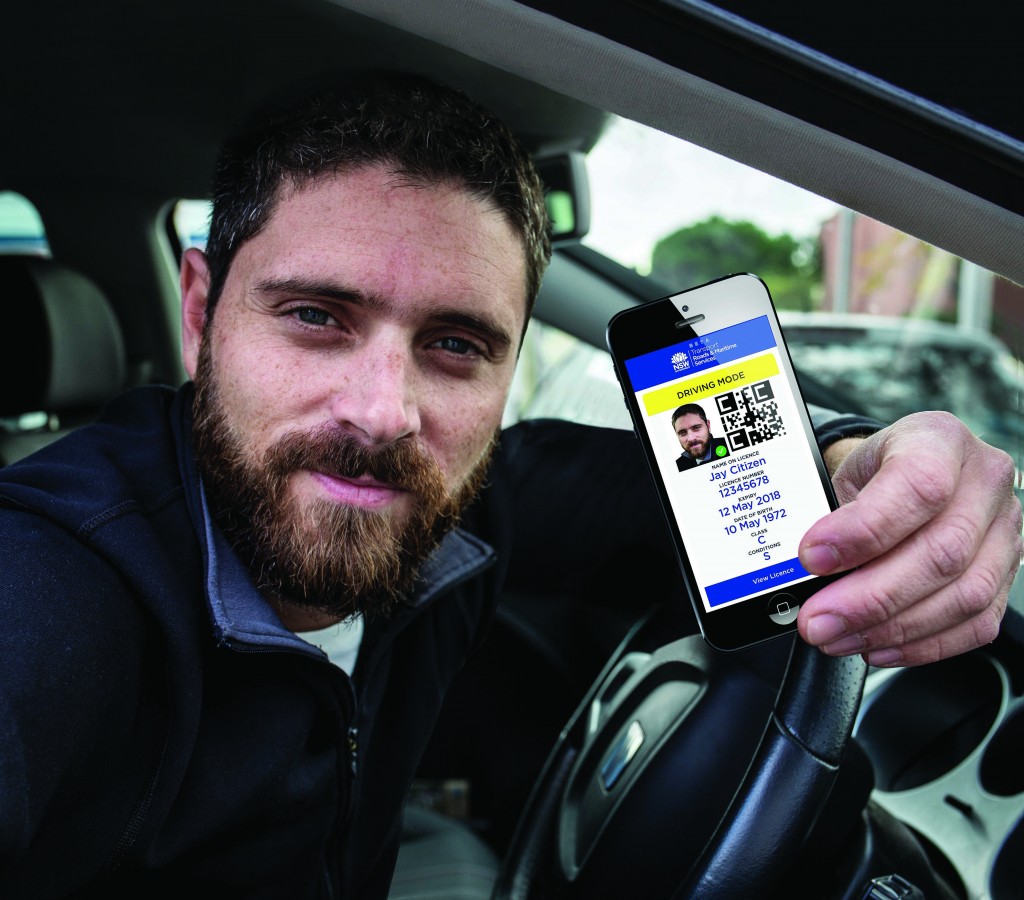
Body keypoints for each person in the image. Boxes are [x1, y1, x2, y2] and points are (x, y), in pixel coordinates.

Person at [0, 74, 1019, 897]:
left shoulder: (453, 508)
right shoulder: (47, 590)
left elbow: (685, 482)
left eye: (455, 344)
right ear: (201, 308)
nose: (382, 412)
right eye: (315, 315)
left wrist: (855, 461)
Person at [673, 403, 730, 470]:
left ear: (708, 426)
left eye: (696, 428)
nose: (691, 438)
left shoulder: (731, 446)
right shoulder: (677, 467)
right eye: (682, 432)